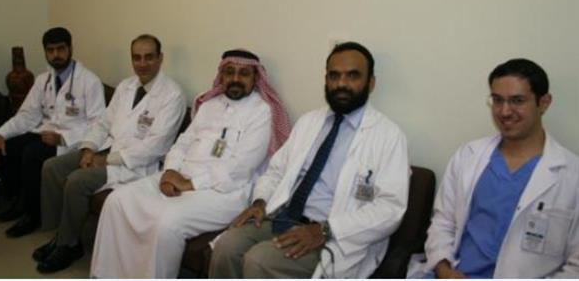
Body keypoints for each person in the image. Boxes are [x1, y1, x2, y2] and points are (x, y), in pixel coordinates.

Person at [210, 41, 410, 278]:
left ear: (371, 83)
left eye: (353, 76)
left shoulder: (388, 136)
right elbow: (276, 171)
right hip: (284, 217)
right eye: (334, 75)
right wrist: (260, 201)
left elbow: (390, 210)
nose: (341, 84)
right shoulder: (309, 122)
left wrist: (325, 230)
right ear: (326, 80)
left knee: (259, 260)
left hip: (334, 236)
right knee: (227, 245)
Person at [90, 49, 290, 279]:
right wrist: (170, 172)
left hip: (223, 192)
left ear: (255, 78)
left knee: (167, 223)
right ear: (222, 75)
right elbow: (183, 142)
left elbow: (241, 168)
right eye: (229, 72)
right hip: (180, 177)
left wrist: (189, 184)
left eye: (244, 73)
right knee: (116, 201)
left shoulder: (263, 112)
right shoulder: (209, 104)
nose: (235, 78)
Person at [33, 34, 186, 274]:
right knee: (52, 167)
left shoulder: (172, 95)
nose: (142, 63)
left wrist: (105, 160)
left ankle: (69, 245)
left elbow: (155, 147)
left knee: (77, 181)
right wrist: (88, 148)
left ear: (160, 58)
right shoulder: (126, 86)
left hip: (133, 165)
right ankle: (60, 234)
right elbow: (103, 123)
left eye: (149, 57)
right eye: (137, 57)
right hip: (107, 147)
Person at [416, 58, 579, 278]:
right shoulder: (468, 156)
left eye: (517, 100)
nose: (504, 111)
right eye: (497, 100)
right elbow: (443, 223)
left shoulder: (571, 175)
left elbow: (576, 267)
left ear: (544, 103)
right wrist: (444, 269)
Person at [0, 27, 105, 238]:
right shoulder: (43, 80)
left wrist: (63, 138)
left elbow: (99, 124)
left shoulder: (90, 81)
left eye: (61, 49)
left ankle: (33, 215)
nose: (56, 55)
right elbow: (27, 115)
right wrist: (0, 134)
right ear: (45, 52)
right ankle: (18, 202)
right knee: (9, 147)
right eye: (50, 50)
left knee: (32, 153)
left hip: (72, 141)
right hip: (45, 133)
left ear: (70, 48)